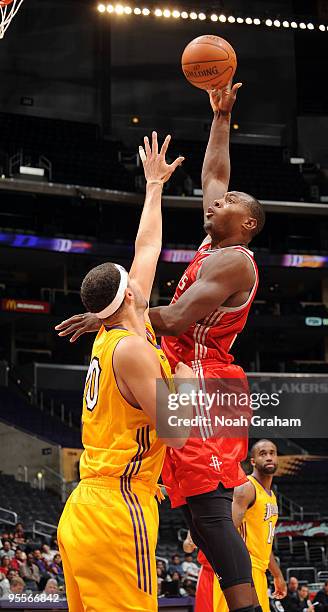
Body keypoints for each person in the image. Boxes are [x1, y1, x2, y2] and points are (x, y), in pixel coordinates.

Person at [56, 82, 265, 612]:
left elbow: (170, 317)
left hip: (210, 381)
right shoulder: (209, 243)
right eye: (217, 199)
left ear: (247, 224)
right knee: (200, 512)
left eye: (230, 202)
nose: (218, 200)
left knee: (213, 508)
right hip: (181, 377)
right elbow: (214, 172)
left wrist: (116, 310)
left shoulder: (235, 259)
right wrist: (221, 117)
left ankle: (245, 604)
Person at [57, 132, 194, 612]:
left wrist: (154, 185)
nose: (140, 277)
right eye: (133, 280)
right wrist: (189, 379)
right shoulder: (134, 350)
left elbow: (148, 245)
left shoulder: (110, 335)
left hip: (86, 509)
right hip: (118, 510)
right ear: (131, 295)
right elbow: (176, 435)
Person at [191, 440, 286, 612]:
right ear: (253, 461)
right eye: (263, 454)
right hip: (242, 572)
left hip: (259, 571)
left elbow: (265, 543)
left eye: (272, 453)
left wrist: (277, 574)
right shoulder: (247, 488)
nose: (269, 457)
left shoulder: (271, 496)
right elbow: (225, 530)